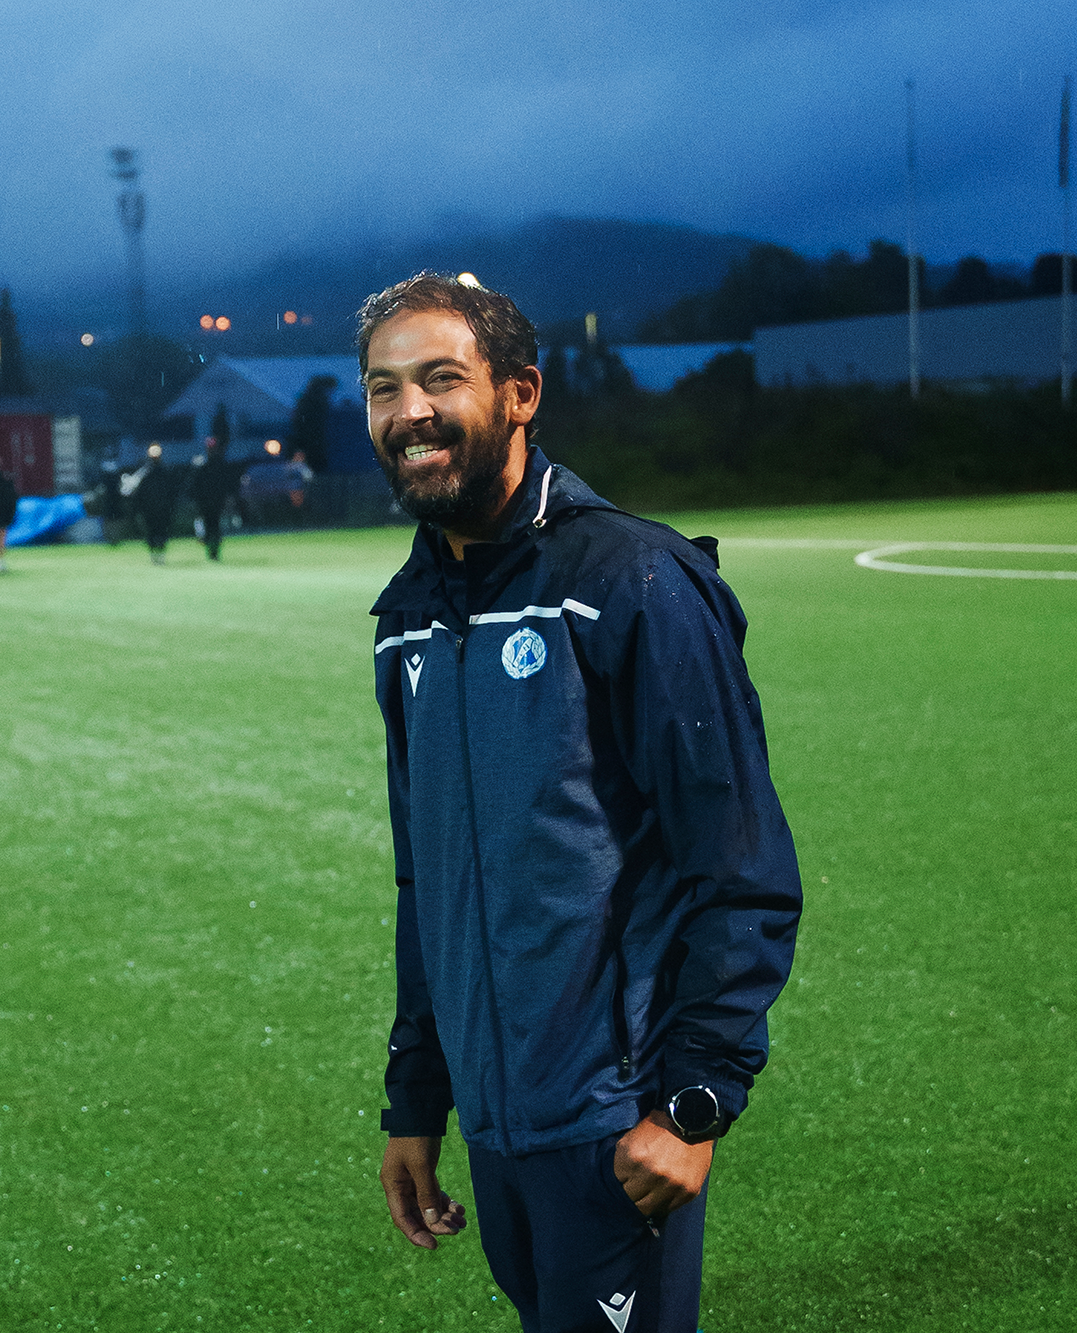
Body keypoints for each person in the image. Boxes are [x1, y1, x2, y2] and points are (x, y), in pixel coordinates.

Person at [362, 273, 801, 1333]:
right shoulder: (406, 617)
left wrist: (692, 1104)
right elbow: (427, 878)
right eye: (382, 389)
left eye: (439, 379)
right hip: (497, 1129)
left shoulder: (632, 582)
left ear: (519, 394)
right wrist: (419, 1097)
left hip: (614, 1123)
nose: (408, 412)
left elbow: (737, 867)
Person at [190, 435, 244, 560]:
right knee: (208, 525)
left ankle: (214, 550)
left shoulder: (220, 465)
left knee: (214, 525)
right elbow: (194, 485)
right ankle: (211, 548)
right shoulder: (201, 465)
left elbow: (228, 483)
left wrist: (230, 497)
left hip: (217, 501)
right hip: (205, 502)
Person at [133, 444, 180, 565]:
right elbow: (139, 493)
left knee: (162, 532)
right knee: (152, 533)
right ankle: (155, 556)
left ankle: (161, 555)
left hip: (163, 509)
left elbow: (173, 491)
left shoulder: (166, 472)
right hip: (149, 510)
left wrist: (171, 506)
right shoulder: (144, 473)